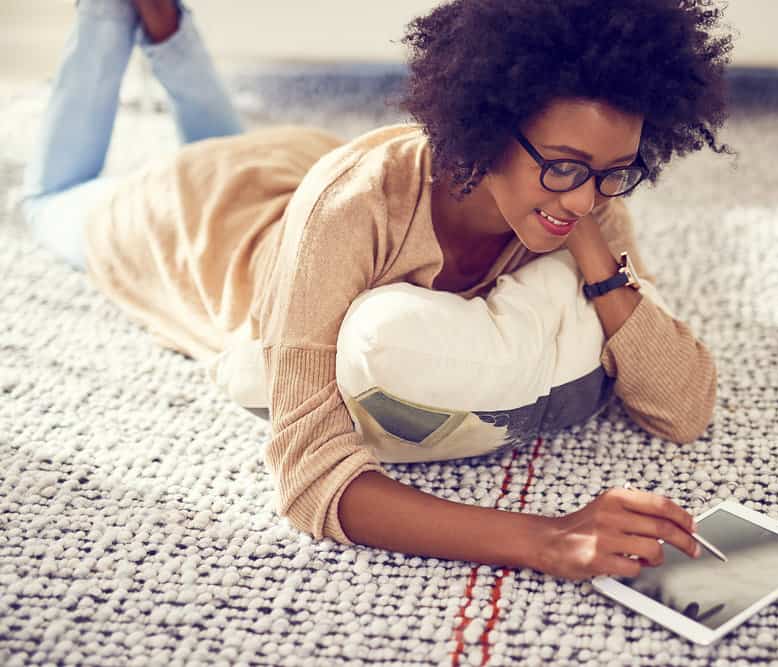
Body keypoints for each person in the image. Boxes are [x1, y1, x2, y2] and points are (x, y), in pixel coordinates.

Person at [20, 0, 731, 581]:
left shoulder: (582, 194)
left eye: (615, 171)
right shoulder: (350, 209)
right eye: (566, 168)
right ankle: (115, 18)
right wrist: (546, 538)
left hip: (291, 159)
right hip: (190, 220)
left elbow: (682, 406)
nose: (586, 198)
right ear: (483, 127)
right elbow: (310, 479)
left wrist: (593, 249)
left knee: (230, 140)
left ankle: (173, 38)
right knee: (51, 199)